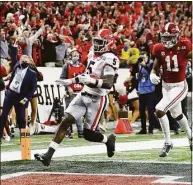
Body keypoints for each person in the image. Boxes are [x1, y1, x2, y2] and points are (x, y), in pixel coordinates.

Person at [34, 29, 119, 166]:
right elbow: (87, 75)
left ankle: (108, 140)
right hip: (84, 93)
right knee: (65, 121)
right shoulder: (92, 53)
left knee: (88, 134)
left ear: (109, 43)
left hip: (97, 99)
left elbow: (108, 83)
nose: (97, 44)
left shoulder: (111, 58)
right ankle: (48, 155)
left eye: (100, 42)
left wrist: (91, 81)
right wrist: (71, 81)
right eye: (96, 41)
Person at [150, 22, 192, 157]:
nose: (167, 40)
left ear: (177, 36)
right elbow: (156, 67)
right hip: (166, 86)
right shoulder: (158, 47)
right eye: (165, 37)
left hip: (180, 86)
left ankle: (168, 142)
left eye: (170, 37)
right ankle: (191, 136)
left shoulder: (185, 45)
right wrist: (152, 74)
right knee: (176, 114)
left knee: (160, 109)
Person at [0, 55, 37, 139]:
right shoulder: (16, 66)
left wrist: (27, 98)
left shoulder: (32, 73)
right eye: (22, 61)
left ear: (29, 63)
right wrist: (8, 88)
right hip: (10, 94)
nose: (23, 63)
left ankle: (23, 138)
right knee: (3, 115)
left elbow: (33, 88)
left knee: (21, 118)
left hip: (21, 97)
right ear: (20, 61)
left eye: (25, 62)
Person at [59, 48, 86, 138]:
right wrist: (67, 87)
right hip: (70, 93)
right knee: (69, 113)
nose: (76, 56)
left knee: (79, 113)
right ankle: (68, 131)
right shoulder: (67, 66)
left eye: (77, 55)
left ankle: (81, 132)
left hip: (81, 92)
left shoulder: (83, 67)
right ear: (70, 56)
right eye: (74, 55)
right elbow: (62, 79)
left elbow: (87, 79)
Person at [135, 51, 158, 134]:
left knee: (150, 110)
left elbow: (151, 73)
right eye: (141, 57)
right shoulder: (139, 64)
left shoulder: (152, 64)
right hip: (142, 90)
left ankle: (151, 128)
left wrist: (144, 65)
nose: (142, 59)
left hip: (150, 90)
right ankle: (143, 128)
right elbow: (136, 74)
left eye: (144, 57)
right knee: (141, 110)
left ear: (148, 57)